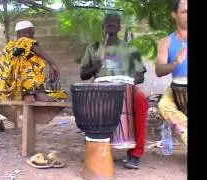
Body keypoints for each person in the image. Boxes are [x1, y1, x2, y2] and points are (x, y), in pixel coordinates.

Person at [80, 13, 149, 169]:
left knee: (141, 101)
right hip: (100, 89)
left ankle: (135, 153)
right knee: (89, 103)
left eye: (115, 22)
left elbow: (140, 75)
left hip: (127, 87)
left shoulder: (130, 48)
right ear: (103, 26)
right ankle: (97, 149)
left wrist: (128, 83)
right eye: (108, 22)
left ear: (119, 26)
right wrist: (94, 67)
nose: (111, 24)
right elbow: (83, 75)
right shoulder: (93, 47)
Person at [0, 20, 67, 103]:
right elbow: (42, 54)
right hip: (28, 82)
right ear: (19, 34)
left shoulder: (9, 46)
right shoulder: (26, 41)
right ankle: (34, 93)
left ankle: (27, 94)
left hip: (11, 86)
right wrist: (53, 64)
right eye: (27, 32)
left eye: (32, 32)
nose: (30, 35)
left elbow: (4, 67)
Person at [155, 0, 187, 145]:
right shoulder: (166, 42)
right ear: (174, 15)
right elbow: (159, 71)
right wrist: (176, 63)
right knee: (164, 105)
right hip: (176, 87)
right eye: (184, 12)